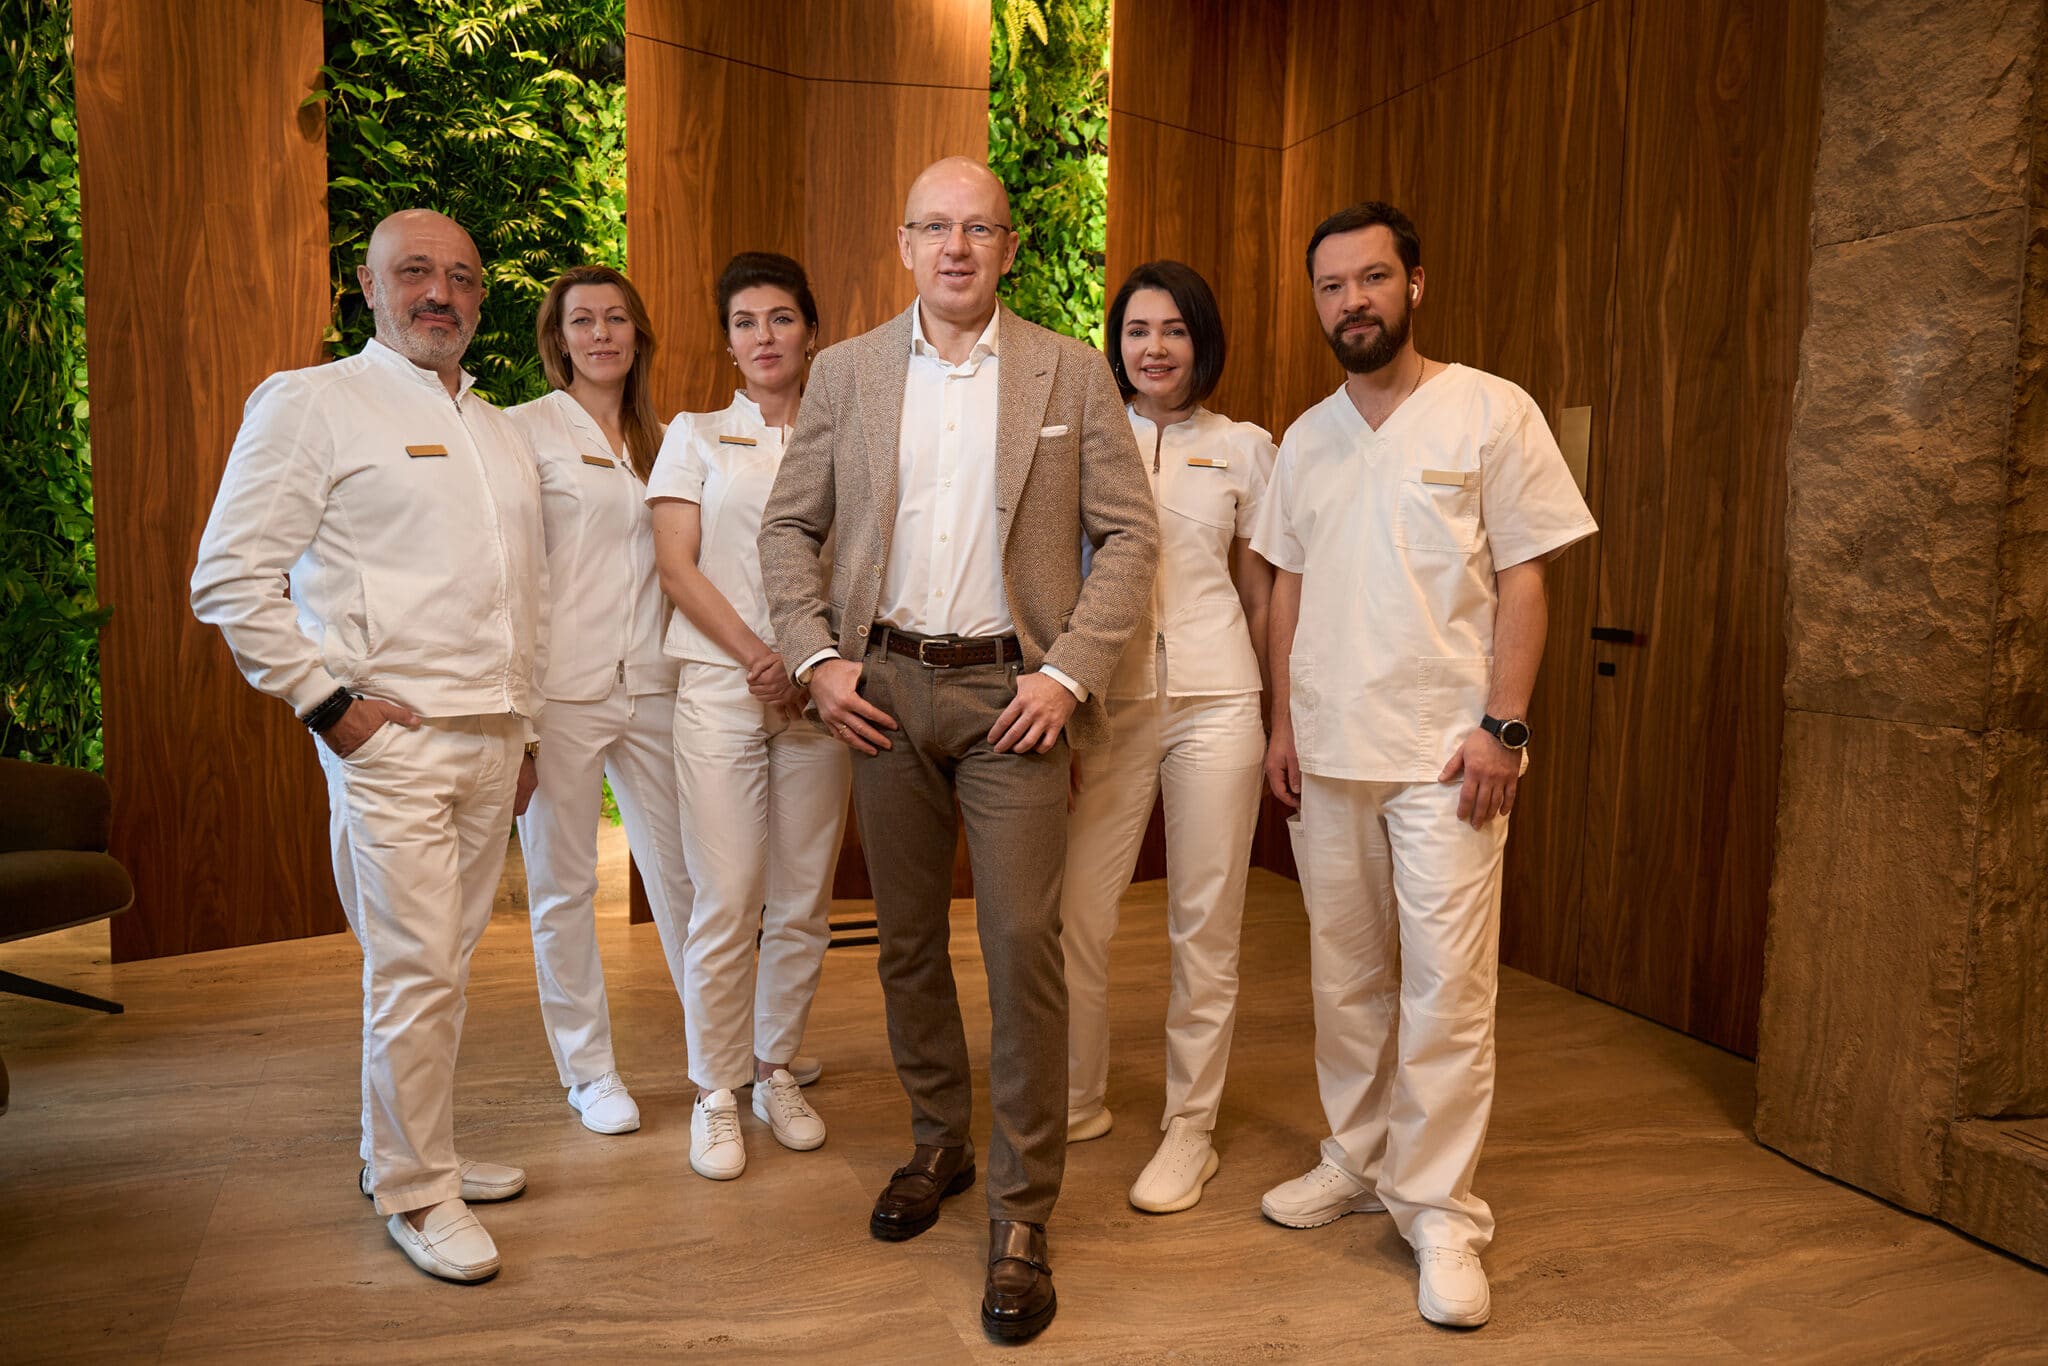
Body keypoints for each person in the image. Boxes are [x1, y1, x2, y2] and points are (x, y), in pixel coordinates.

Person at [757, 158, 1158, 1342]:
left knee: (1022, 938)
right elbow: (788, 525)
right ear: (901, 243)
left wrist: (1066, 671)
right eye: (933, 226)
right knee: (905, 935)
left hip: (1009, 694)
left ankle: (1024, 1209)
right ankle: (940, 1142)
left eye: (976, 227)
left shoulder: (1069, 372)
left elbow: (1128, 539)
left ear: (1008, 244)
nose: (954, 247)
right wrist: (820, 661)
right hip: (880, 686)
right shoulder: (846, 372)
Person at [1251, 201, 1597, 1328]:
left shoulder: (1488, 410)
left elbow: (1527, 577)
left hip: (1447, 758)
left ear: (1413, 285)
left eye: (1371, 278)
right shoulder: (1303, 439)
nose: (1351, 301)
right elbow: (1286, 587)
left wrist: (1504, 726)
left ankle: (1439, 1207)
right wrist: (1283, 726)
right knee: (1344, 978)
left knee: (1447, 988)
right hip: (1329, 752)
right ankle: (1355, 1159)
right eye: (1331, 286)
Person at [191, 209, 546, 1283]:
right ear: (368, 284)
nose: (439, 292)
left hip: (492, 743)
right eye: (415, 273)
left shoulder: (493, 425)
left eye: (461, 277)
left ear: (481, 299)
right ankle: (414, 1190)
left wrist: (523, 727)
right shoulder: (314, 403)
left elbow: (516, 595)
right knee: (414, 972)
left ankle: (407, 1150)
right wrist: (325, 703)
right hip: (392, 743)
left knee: (440, 968)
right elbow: (229, 575)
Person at [1058, 261, 1275, 1215]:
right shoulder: (1077, 441)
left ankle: (1192, 1129)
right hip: (1108, 706)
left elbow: (1266, 589)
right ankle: (1075, 1098)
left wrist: (1283, 715)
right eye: (1138, 330)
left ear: (1202, 341)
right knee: (1077, 914)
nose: (1154, 348)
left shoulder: (1248, 448)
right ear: (1117, 345)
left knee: (1206, 920)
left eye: (1174, 330)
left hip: (1220, 699)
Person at [647, 252, 848, 1181]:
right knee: (727, 895)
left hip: (826, 689)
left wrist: (812, 664)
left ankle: (775, 1071)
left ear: (810, 330)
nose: (763, 337)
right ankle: (715, 1091)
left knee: (804, 896)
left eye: (780, 319)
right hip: (724, 683)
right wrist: (760, 658)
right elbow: (678, 567)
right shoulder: (692, 434)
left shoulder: (850, 432)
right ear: (726, 341)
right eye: (745, 322)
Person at [508, 264, 694, 1137]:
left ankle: (724, 1049)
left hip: (655, 684)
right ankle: (589, 1073)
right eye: (581, 321)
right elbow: (506, 575)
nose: (601, 334)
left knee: (689, 875)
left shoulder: (667, 439)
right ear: (558, 340)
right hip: (561, 696)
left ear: (638, 334)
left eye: (616, 318)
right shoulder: (521, 433)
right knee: (562, 886)